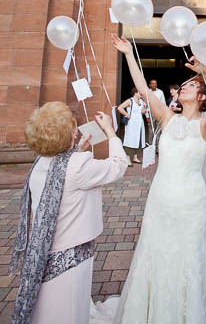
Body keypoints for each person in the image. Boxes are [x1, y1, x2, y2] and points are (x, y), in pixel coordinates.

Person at [106, 34, 206, 324]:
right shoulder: (168, 119)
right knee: (154, 253)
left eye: (191, 86)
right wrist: (129, 54)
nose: (184, 87)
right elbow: (144, 89)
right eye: (184, 85)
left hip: (191, 203)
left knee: (188, 258)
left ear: (201, 96)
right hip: (160, 199)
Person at [10, 102, 129, 324]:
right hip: (72, 256)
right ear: (69, 132)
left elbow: (63, 170)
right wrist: (111, 132)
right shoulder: (79, 166)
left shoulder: (38, 163)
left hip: (41, 254)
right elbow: (119, 165)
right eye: (73, 126)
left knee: (47, 308)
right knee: (70, 311)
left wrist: (79, 147)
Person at [118, 87, 147, 165]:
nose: (141, 95)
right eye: (139, 93)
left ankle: (135, 157)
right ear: (135, 92)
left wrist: (145, 110)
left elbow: (143, 111)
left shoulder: (141, 101)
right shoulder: (130, 101)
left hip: (140, 123)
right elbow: (120, 108)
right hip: (132, 123)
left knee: (139, 139)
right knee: (130, 139)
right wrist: (126, 114)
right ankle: (127, 158)